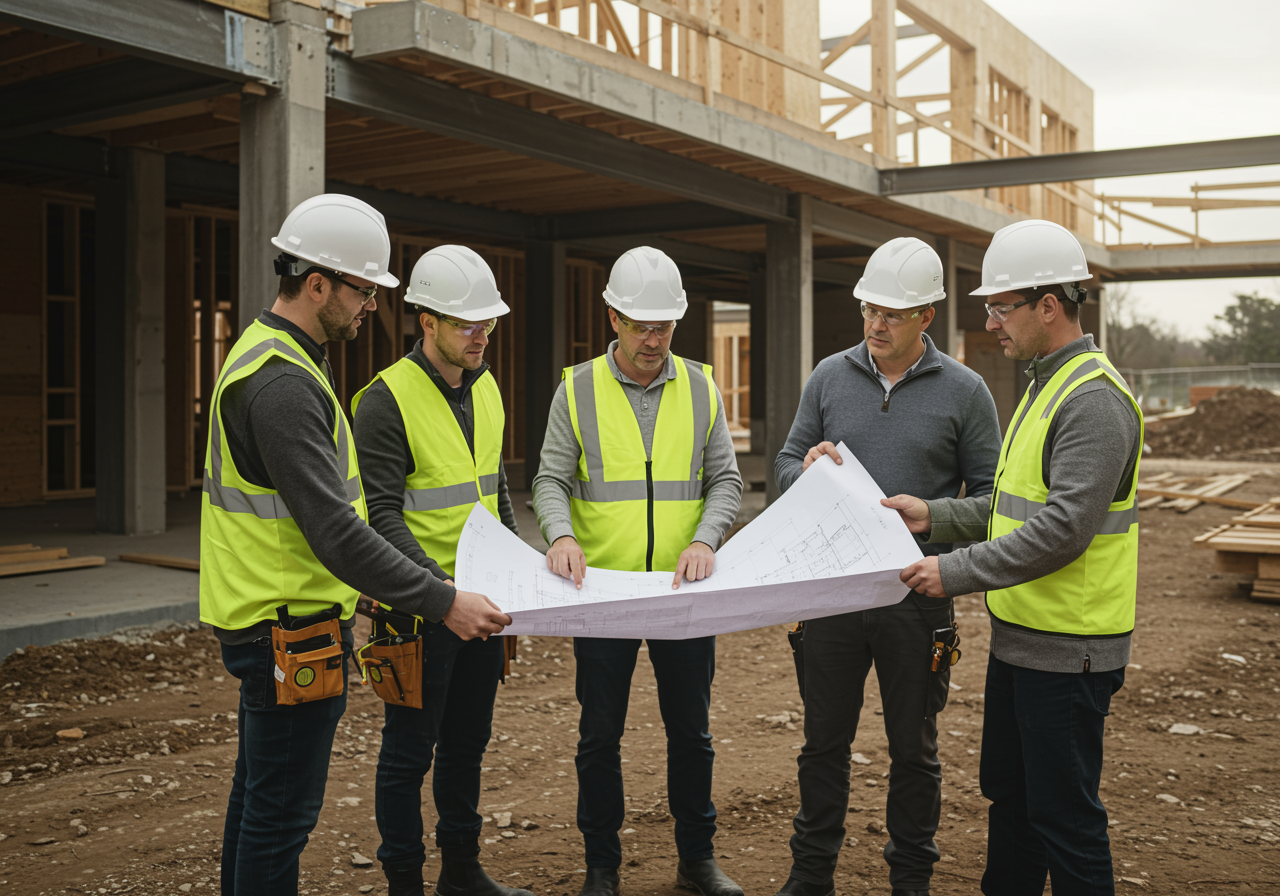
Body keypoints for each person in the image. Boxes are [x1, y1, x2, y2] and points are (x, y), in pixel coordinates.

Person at [200, 195, 511, 896]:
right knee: (280, 819)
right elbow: (338, 530)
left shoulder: (280, 358)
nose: (372, 305)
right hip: (287, 625)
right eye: (364, 290)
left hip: (282, 616)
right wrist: (442, 600)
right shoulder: (283, 384)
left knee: (259, 803)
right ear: (318, 284)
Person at [886, 220, 1142, 896]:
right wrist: (934, 515)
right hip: (1024, 640)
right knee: (1013, 800)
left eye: (1000, 308)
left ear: (1048, 306)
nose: (990, 323)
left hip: (1070, 650)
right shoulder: (1043, 384)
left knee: (1065, 819)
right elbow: (1010, 506)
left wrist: (953, 572)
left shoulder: (1092, 400)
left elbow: (1062, 530)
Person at [772, 238, 1001, 896]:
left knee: (913, 748)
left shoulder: (966, 392)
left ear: (926, 316)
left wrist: (933, 515)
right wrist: (804, 471)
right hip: (832, 595)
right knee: (823, 743)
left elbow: (996, 503)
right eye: (869, 309)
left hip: (918, 597)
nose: (875, 324)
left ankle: (911, 880)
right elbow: (784, 466)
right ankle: (810, 875)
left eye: (892, 314)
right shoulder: (828, 377)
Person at [531, 246, 744, 896]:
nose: (654, 340)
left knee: (692, 735)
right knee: (599, 736)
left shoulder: (702, 387)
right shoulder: (577, 389)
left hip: (684, 594)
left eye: (664, 326)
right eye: (641, 326)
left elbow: (726, 481)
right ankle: (602, 868)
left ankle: (696, 861)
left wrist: (705, 539)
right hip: (603, 593)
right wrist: (561, 535)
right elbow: (549, 479)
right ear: (614, 319)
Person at [351, 245, 531, 896]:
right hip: (418, 609)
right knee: (408, 754)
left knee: (466, 744)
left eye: (489, 322)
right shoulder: (384, 401)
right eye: (466, 324)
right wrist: (441, 591)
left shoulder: (486, 388)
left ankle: (462, 872)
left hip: (480, 604)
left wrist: (516, 575)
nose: (481, 335)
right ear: (426, 321)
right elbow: (380, 516)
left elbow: (495, 490)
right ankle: (405, 884)